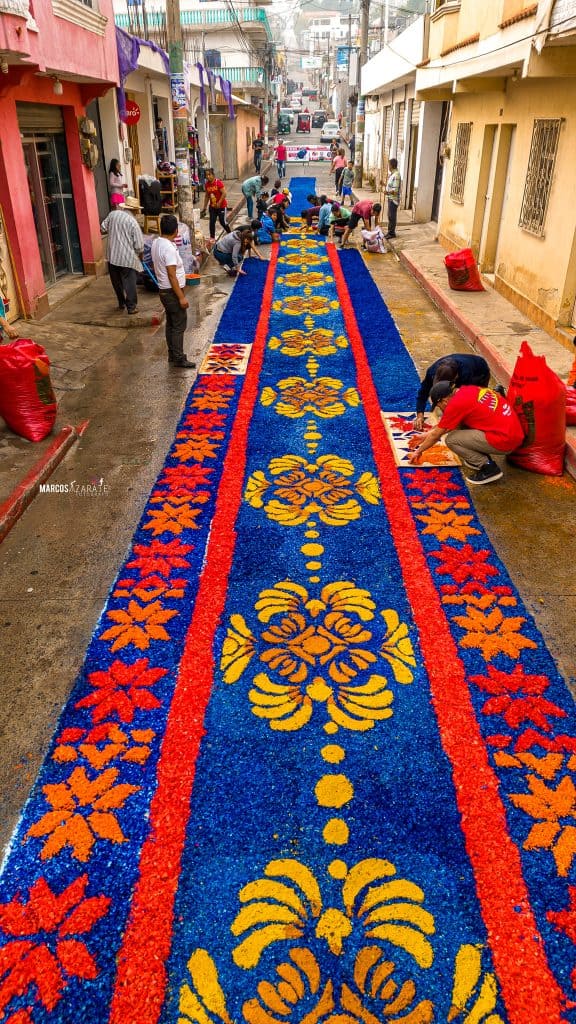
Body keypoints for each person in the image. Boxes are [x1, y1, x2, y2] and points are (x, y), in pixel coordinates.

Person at [408, 380, 525, 485]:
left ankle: (488, 468)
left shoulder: (456, 404)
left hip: (506, 441)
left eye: (439, 406)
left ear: (444, 400)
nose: (441, 409)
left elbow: (437, 434)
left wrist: (418, 451)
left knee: (452, 440)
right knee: (461, 426)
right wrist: (425, 435)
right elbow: (447, 425)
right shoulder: (469, 389)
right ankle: (478, 458)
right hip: (514, 433)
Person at [151, 214, 195, 368]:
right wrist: (181, 297)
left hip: (164, 290)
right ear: (176, 230)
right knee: (178, 325)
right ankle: (178, 357)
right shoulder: (168, 248)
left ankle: (172, 354)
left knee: (171, 323)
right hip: (171, 291)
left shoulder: (157, 242)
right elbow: (171, 274)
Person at [414, 354, 491, 430]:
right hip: (462, 369)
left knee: (476, 403)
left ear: (455, 378)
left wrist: (443, 426)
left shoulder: (466, 375)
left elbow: (463, 401)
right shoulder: (432, 372)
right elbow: (422, 394)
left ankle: (496, 394)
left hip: (480, 371)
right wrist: (420, 416)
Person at [101, 196, 144, 315]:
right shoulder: (133, 223)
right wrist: (140, 257)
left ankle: (121, 303)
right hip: (127, 258)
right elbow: (139, 246)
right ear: (135, 210)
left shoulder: (113, 215)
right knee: (129, 282)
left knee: (116, 282)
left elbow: (103, 228)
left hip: (112, 256)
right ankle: (131, 307)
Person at [201, 168, 230, 243]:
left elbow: (224, 193)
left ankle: (230, 234)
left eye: (209, 174)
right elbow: (207, 196)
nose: (207, 176)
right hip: (212, 207)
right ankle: (212, 237)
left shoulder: (218, 183)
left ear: (213, 175)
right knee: (212, 222)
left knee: (222, 221)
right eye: (206, 175)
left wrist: (219, 202)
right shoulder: (207, 184)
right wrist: (204, 207)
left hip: (222, 206)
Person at [385, 158, 401, 240]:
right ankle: (389, 231)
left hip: (393, 199)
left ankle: (392, 233)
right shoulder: (392, 174)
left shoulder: (396, 175)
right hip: (390, 198)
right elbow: (391, 186)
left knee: (392, 216)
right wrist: (383, 184)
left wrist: (387, 192)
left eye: (389, 164)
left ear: (391, 165)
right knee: (389, 215)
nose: (388, 166)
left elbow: (395, 190)